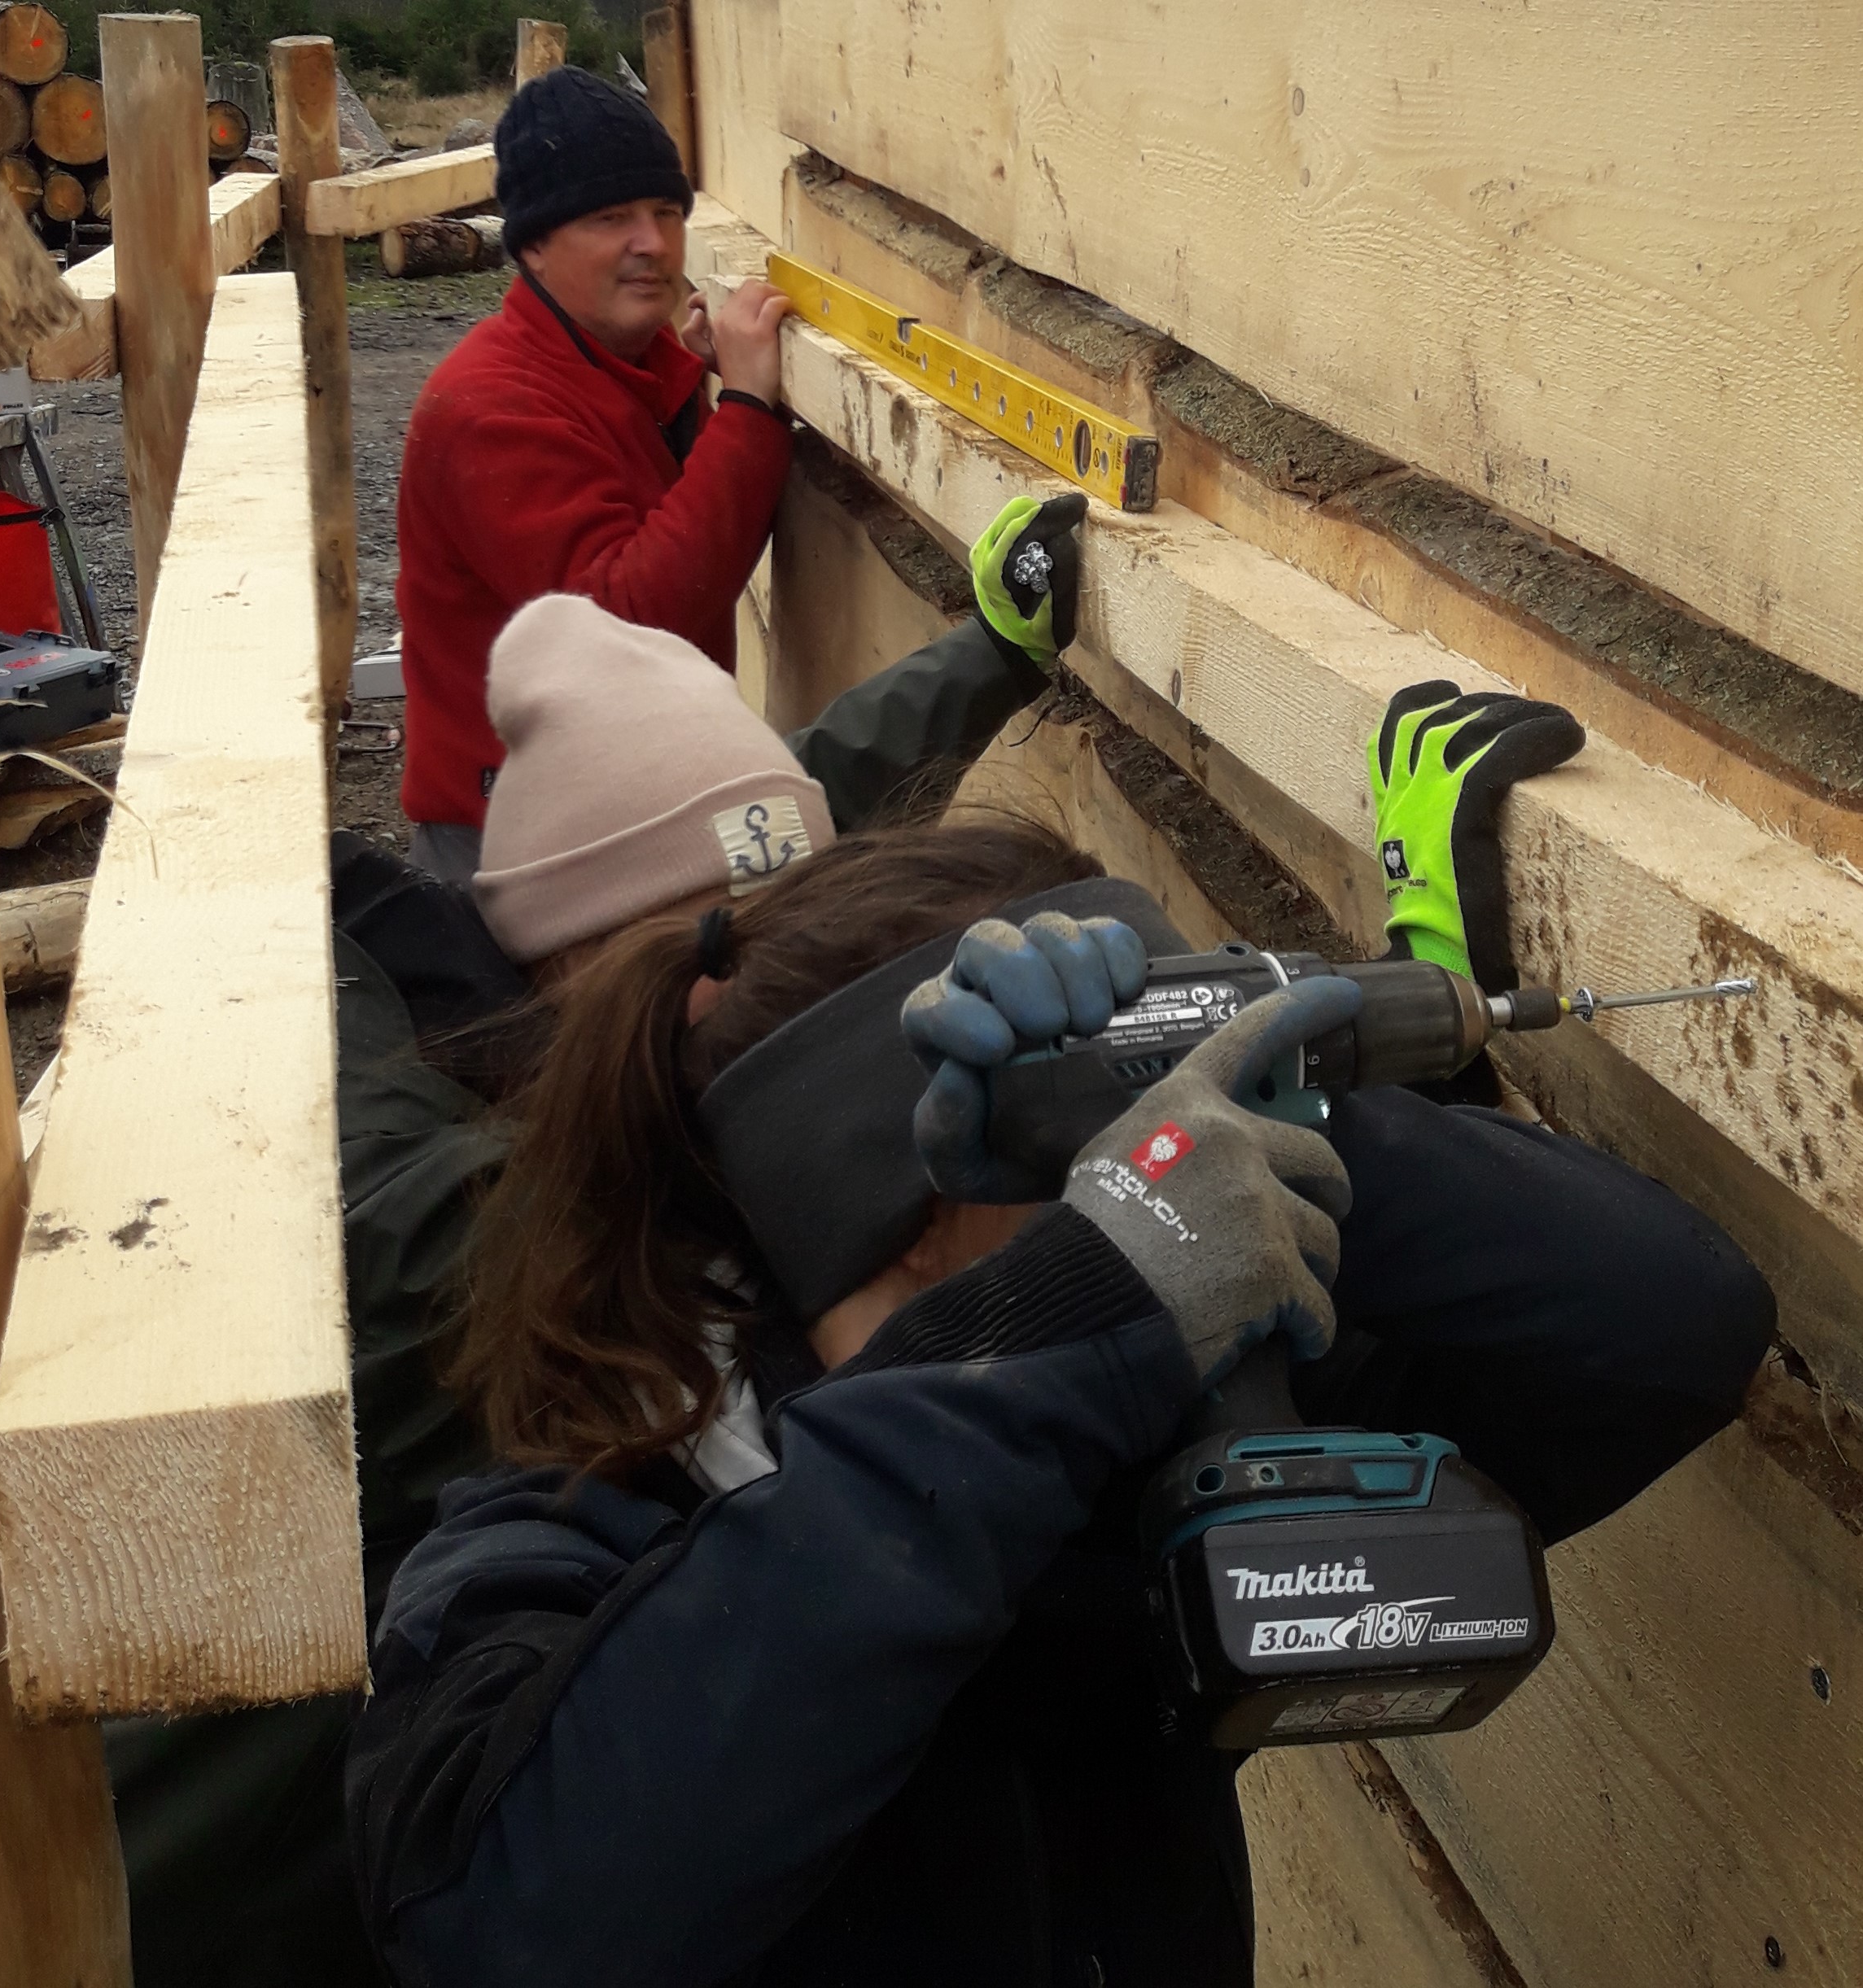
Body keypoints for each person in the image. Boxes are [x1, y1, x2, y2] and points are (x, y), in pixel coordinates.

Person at [343, 814, 1773, 1986]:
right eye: (1099, 1177)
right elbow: (523, 1929)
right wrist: (1072, 1306)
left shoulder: (1109, 1467)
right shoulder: (538, 1557)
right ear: (911, 1223)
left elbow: (1660, 1327)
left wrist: (1272, 1092)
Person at [106, 493, 1087, 1988]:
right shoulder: (474, 1229)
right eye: (748, 953)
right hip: (213, 1910)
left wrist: (987, 654)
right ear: (620, 973)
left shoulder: (568, 999)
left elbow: (757, 824)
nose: (790, 991)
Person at [394, 63, 796, 885]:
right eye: (611, 218)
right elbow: (626, 625)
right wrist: (748, 409)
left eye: (665, 212)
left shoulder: (623, 365)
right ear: (534, 244)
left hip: (621, 810)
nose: (652, 243)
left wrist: (696, 385)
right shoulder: (488, 406)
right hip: (518, 858)